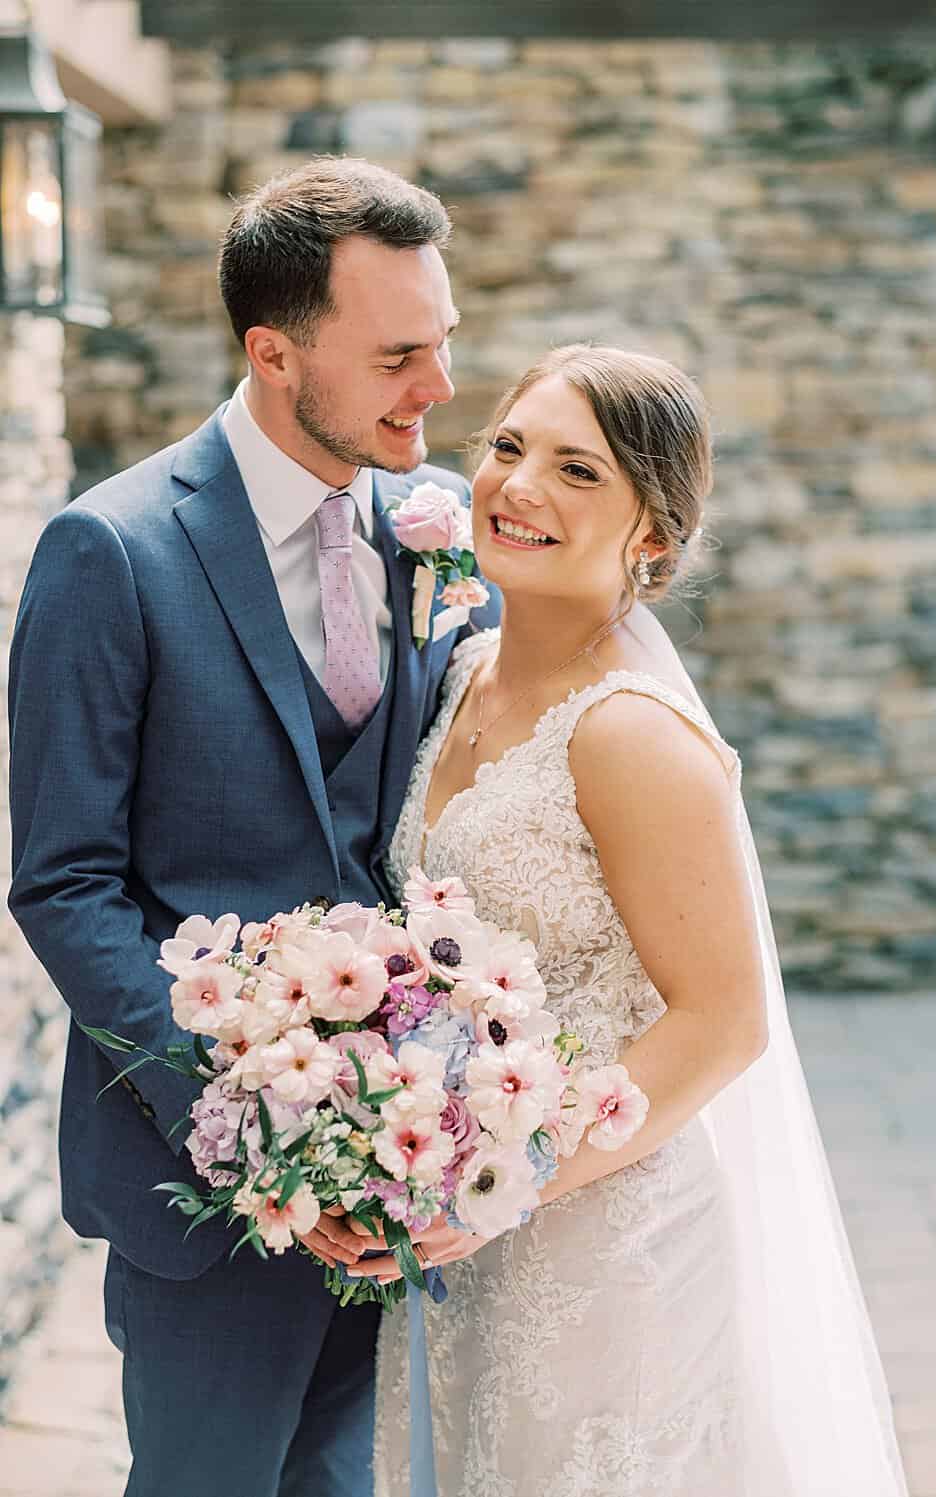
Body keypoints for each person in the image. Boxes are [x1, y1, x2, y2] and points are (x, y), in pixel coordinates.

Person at [8, 157, 491, 1495]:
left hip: (405, 1181)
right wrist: (256, 1126)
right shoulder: (107, 556)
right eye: (400, 353)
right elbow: (65, 884)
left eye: (444, 340)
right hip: (202, 1197)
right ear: (275, 353)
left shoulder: (436, 543)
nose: (439, 388)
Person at [346, 344, 906, 1494]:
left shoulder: (633, 736)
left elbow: (721, 1023)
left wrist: (512, 1173)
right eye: (508, 447)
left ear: (652, 533)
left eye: (578, 471)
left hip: (602, 1243)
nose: (519, 486)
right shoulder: (459, 674)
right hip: (465, 1234)